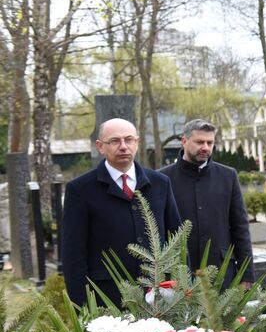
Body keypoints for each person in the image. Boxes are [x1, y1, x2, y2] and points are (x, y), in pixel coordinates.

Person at [62, 118, 182, 306]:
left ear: (137, 142)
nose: (123, 146)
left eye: (129, 139)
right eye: (115, 141)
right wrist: (81, 306)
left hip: (159, 295)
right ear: (101, 146)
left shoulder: (160, 183)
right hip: (107, 298)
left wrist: (182, 289)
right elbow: (73, 254)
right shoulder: (80, 189)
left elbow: (177, 239)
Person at [160, 119, 255, 288]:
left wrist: (246, 275)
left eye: (209, 142)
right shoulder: (162, 179)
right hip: (177, 276)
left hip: (221, 273)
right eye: (199, 142)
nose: (205, 147)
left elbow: (240, 228)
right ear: (184, 141)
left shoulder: (228, 176)